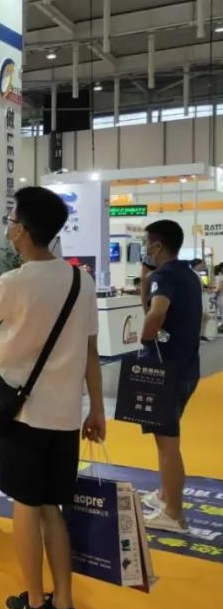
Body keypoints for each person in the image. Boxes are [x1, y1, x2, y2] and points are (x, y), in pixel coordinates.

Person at [0, 187, 106, 609]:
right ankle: (64, 603)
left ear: (21, 229)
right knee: (51, 507)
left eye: (11, 220)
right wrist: (97, 409)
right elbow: (90, 352)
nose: (8, 226)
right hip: (65, 416)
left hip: (22, 417)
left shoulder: (14, 282)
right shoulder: (80, 281)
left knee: (25, 506)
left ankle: (35, 604)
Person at [139, 220, 203, 533]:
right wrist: (145, 278)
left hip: (165, 369)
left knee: (167, 443)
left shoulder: (164, 277)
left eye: (146, 242)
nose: (145, 248)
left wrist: (145, 337)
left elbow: (155, 312)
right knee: (165, 437)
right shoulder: (188, 275)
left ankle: (174, 514)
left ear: (158, 245)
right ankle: (166, 493)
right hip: (187, 368)